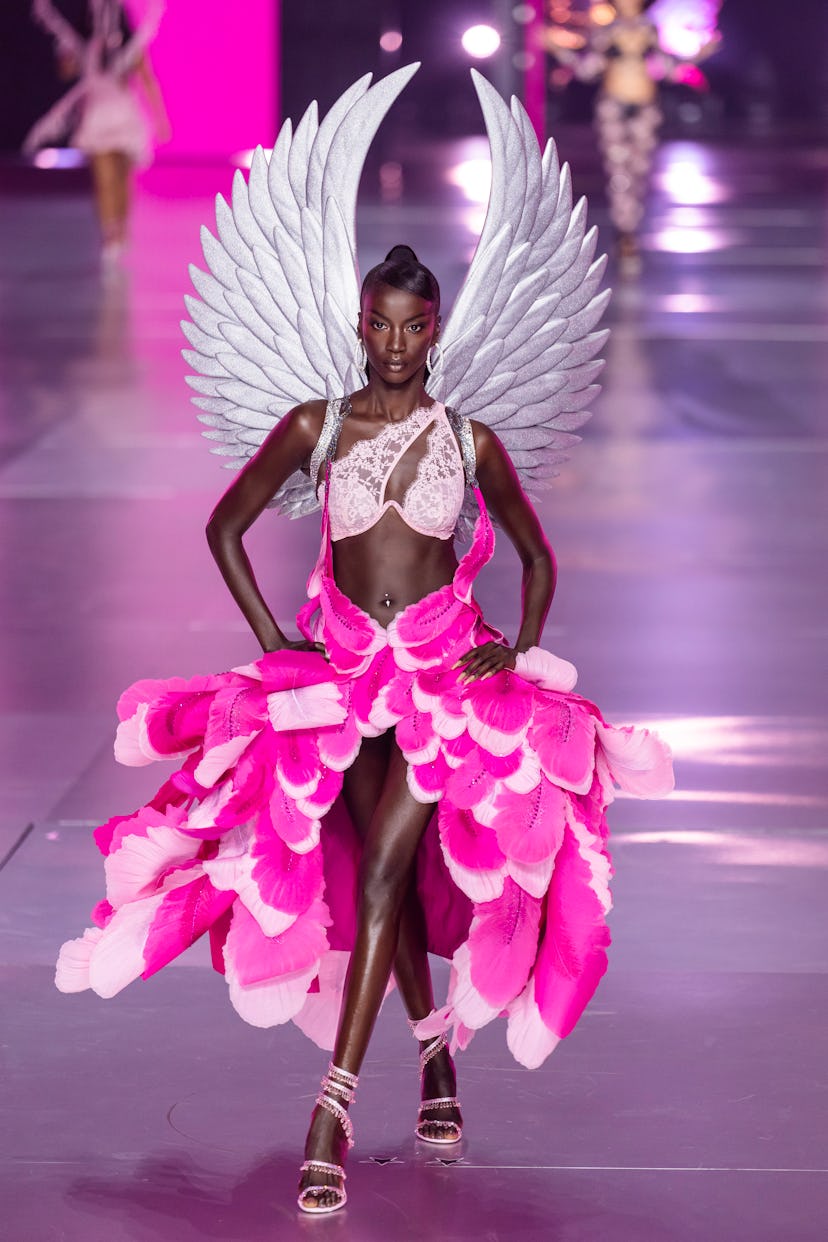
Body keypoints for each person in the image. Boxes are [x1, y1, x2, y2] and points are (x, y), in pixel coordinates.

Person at [54, 71, 673, 1217]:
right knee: (362, 882)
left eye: (411, 327)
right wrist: (274, 637)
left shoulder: (471, 435)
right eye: (377, 326)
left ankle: (329, 1112)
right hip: (339, 681)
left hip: (441, 684)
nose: (393, 342)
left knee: (386, 872)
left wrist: (514, 652)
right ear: (359, 328)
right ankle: (435, 1055)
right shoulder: (317, 425)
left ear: (435, 330)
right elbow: (225, 526)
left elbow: (537, 557)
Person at [548, 0, 720, 261]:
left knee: (638, 167)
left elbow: (669, 71)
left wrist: (700, 55)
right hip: (613, 107)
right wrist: (559, 51)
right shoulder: (605, 33)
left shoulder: (651, 31)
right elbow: (588, 69)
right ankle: (625, 230)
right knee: (618, 167)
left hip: (645, 107)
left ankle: (630, 225)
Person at [24, 0, 170, 263]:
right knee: (104, 179)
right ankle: (109, 233)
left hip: (125, 117)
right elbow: (67, 71)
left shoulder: (129, 48)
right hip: (96, 118)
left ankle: (121, 229)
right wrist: (66, 57)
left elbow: (147, 79)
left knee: (121, 179)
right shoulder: (86, 46)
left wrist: (160, 118)